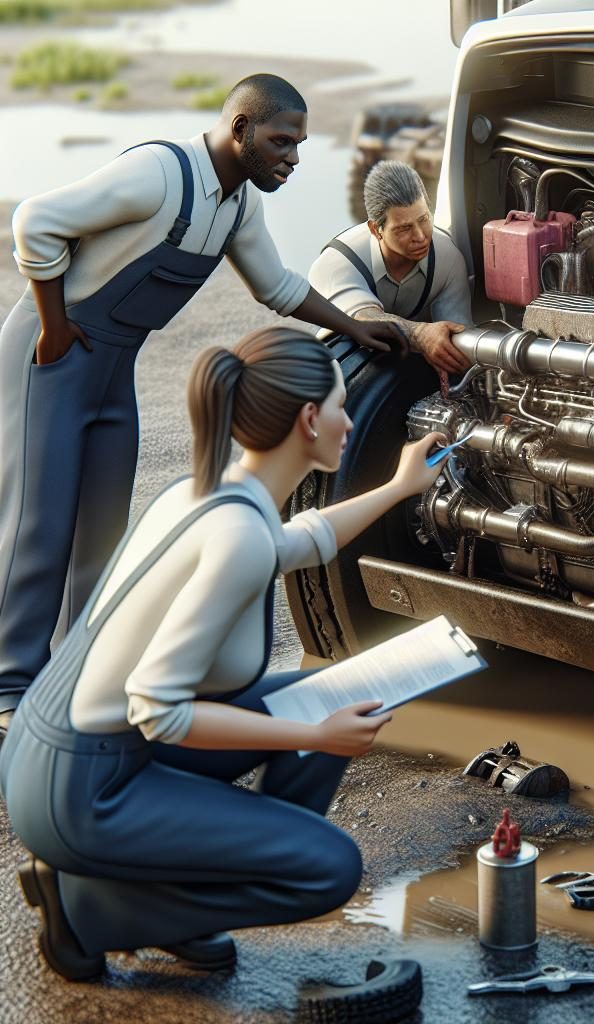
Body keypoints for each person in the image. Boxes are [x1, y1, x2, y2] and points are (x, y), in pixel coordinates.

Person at [0, 325, 447, 982]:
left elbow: (304, 539)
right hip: (81, 787)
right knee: (330, 867)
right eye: (339, 405)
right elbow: (159, 710)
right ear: (306, 420)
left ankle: (189, 908)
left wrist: (401, 486)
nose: (349, 421)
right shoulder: (237, 536)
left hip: (62, 748)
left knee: (329, 695)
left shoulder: (210, 494)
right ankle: (88, 909)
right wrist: (312, 736)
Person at [0, 74, 402, 739]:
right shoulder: (160, 173)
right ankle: (11, 686)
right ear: (240, 129)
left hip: (113, 363)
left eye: (300, 146)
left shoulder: (238, 206)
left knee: (100, 523)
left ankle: (74, 674)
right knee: (38, 521)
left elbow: (274, 284)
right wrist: (53, 330)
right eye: (281, 142)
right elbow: (36, 222)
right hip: (53, 352)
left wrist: (358, 327)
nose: (293, 159)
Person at [308, 159, 472, 376]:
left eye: (424, 219)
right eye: (404, 228)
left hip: (414, 372)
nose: (420, 236)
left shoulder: (447, 257)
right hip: (343, 372)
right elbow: (365, 320)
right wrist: (421, 334)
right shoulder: (337, 262)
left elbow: (458, 337)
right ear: (376, 230)